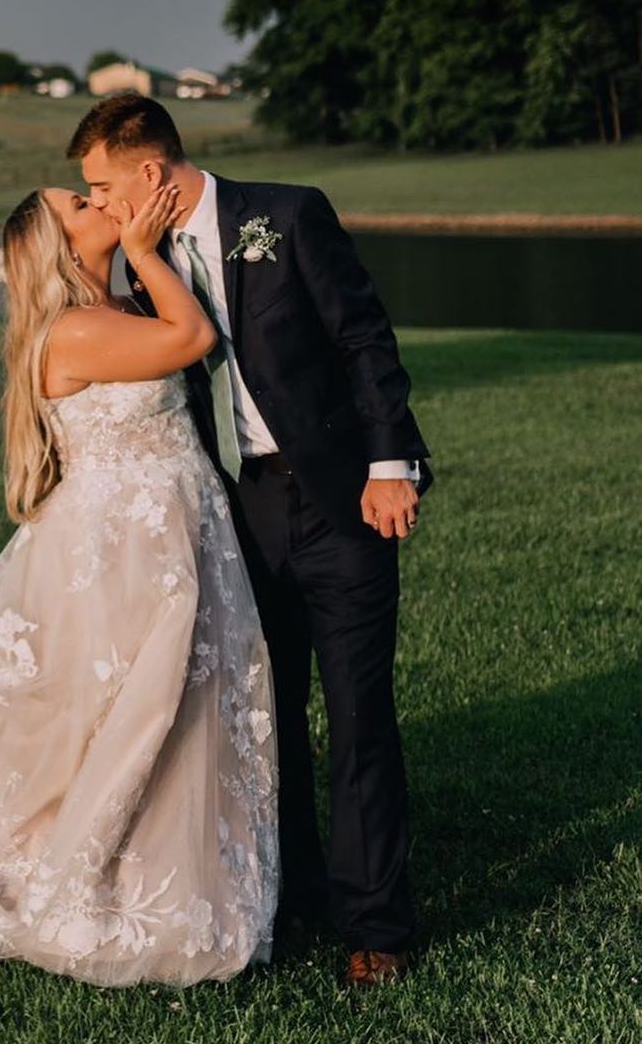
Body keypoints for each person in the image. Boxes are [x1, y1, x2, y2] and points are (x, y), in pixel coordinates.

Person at [0, 181, 280, 986]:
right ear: (59, 246)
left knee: (167, 707)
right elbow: (193, 336)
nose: (100, 201)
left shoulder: (114, 310)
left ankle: (176, 869)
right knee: (128, 711)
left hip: (169, 530)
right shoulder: (74, 329)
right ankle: (77, 875)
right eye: (80, 205)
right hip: (122, 548)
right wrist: (142, 250)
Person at [67, 91, 431, 987]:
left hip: (343, 500)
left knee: (358, 714)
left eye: (103, 187)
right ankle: (290, 889)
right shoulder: (142, 265)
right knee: (266, 714)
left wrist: (390, 462)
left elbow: (364, 341)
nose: (101, 204)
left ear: (148, 170)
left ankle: (376, 924)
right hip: (238, 514)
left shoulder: (288, 215)